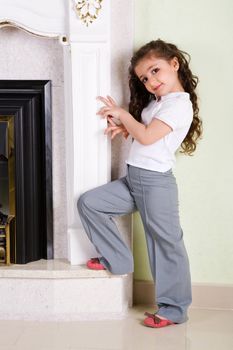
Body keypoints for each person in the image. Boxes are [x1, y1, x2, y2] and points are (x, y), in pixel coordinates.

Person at [77, 39, 202, 328]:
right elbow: (147, 136)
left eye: (155, 71)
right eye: (144, 78)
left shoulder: (179, 106)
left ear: (175, 64)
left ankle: (174, 309)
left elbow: (147, 136)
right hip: (135, 179)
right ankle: (119, 260)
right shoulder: (161, 102)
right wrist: (125, 128)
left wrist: (123, 114)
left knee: (166, 243)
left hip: (155, 183)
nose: (150, 81)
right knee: (89, 203)